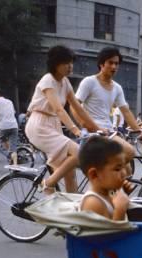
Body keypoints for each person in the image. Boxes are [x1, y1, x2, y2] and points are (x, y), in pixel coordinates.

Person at [25, 45, 104, 193]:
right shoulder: (48, 80)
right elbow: (59, 109)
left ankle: (70, 209)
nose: (70, 66)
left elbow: (78, 107)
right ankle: (48, 183)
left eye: (71, 62)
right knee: (80, 154)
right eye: (66, 63)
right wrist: (76, 131)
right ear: (55, 64)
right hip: (39, 126)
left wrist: (97, 128)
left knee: (70, 173)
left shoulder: (65, 82)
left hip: (52, 124)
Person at [72, 47, 139, 168]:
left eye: (116, 64)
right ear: (101, 64)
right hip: (93, 133)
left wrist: (139, 131)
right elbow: (74, 105)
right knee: (129, 151)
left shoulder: (117, 88)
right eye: (110, 63)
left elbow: (126, 111)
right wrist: (83, 124)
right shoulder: (89, 82)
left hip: (108, 132)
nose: (114, 67)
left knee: (127, 170)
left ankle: (107, 181)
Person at [78, 136, 130, 220]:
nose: (124, 173)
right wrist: (120, 209)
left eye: (124, 167)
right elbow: (112, 233)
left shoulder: (110, 192)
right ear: (94, 174)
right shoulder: (93, 203)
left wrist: (124, 194)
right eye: (117, 169)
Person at [0, 90, 20, 165]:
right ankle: (15, 164)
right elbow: (13, 112)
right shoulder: (9, 101)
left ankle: (9, 156)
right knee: (13, 147)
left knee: (1, 140)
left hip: (4, 126)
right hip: (14, 125)